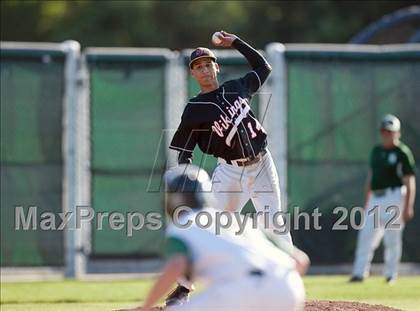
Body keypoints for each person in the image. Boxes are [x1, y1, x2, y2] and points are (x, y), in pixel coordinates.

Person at [119, 164, 308, 311]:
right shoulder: (236, 219)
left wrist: (146, 307)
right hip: (289, 289)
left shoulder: (181, 227)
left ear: (174, 199)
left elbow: (176, 266)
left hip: (242, 289)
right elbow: (301, 261)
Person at [350, 114, 416, 283]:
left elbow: (410, 181)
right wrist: (366, 201)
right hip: (375, 198)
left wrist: (408, 206)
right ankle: (359, 273)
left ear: (397, 133)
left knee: (392, 239)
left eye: (390, 131)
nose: (387, 134)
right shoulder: (376, 151)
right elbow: (370, 178)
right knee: (366, 236)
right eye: (384, 131)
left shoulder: (402, 152)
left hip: (394, 197)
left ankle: (390, 275)